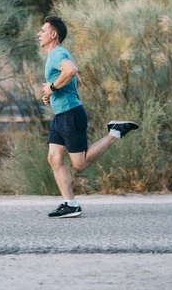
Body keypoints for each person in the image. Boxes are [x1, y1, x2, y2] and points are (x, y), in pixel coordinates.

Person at [38, 16, 139, 218]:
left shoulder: (58, 53)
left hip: (70, 114)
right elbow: (78, 80)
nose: (39, 34)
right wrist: (54, 93)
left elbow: (72, 72)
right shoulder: (57, 55)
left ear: (53, 34)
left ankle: (115, 133)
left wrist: (52, 87)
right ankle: (71, 205)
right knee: (54, 158)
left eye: (42, 30)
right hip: (62, 115)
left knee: (80, 163)